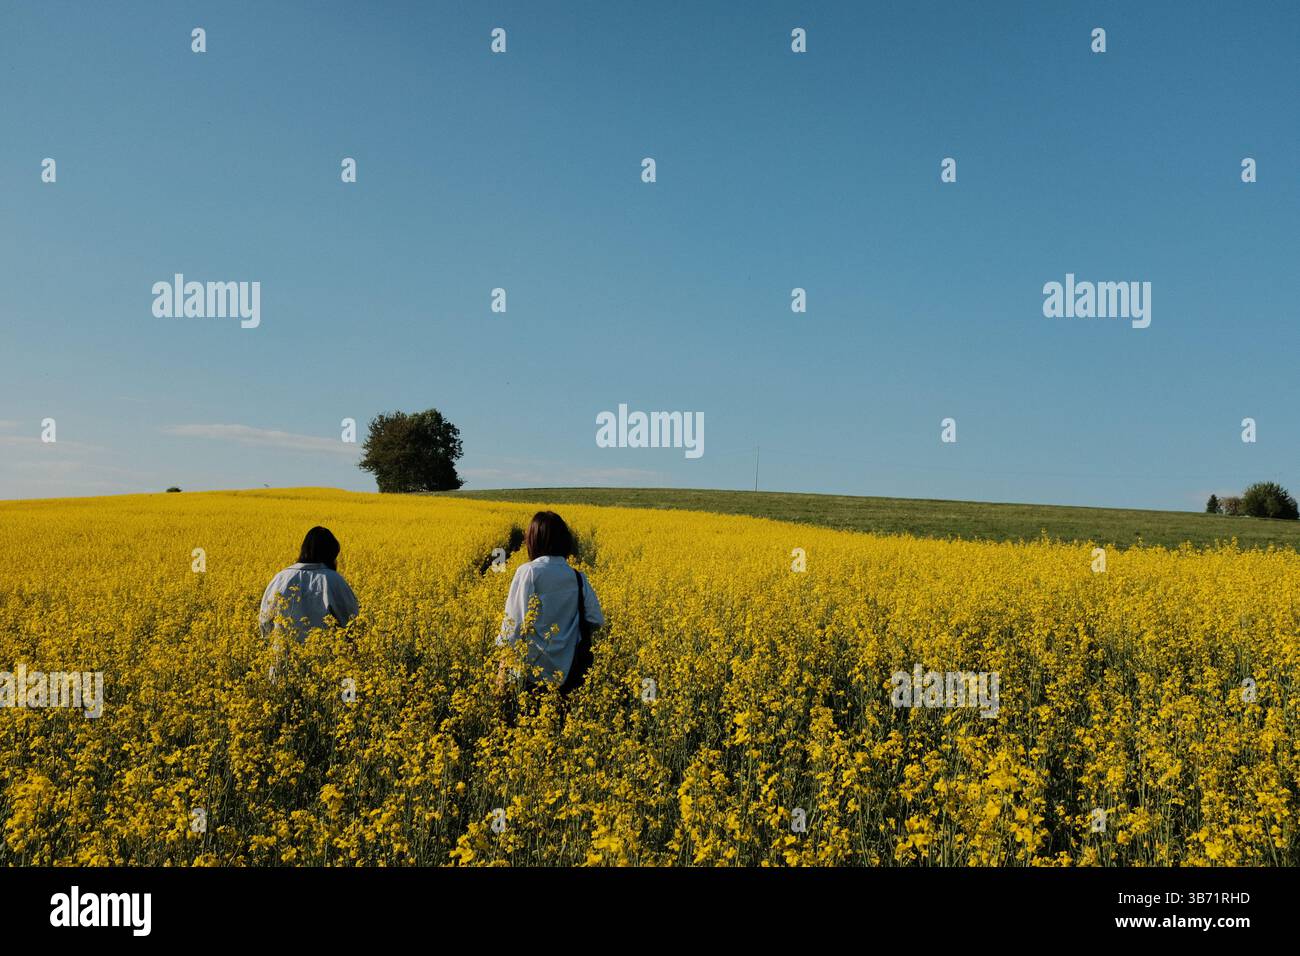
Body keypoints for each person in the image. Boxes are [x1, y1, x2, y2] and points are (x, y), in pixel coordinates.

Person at [497, 511, 604, 703]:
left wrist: (502, 673)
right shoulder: (578, 577)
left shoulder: (529, 572)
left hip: (530, 676)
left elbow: (513, 626)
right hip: (570, 674)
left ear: (533, 540)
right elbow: (596, 619)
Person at [259, 526, 360, 641]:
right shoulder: (334, 580)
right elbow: (351, 620)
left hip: (284, 654)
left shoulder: (281, 579)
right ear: (331, 554)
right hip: (327, 655)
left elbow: (265, 621)